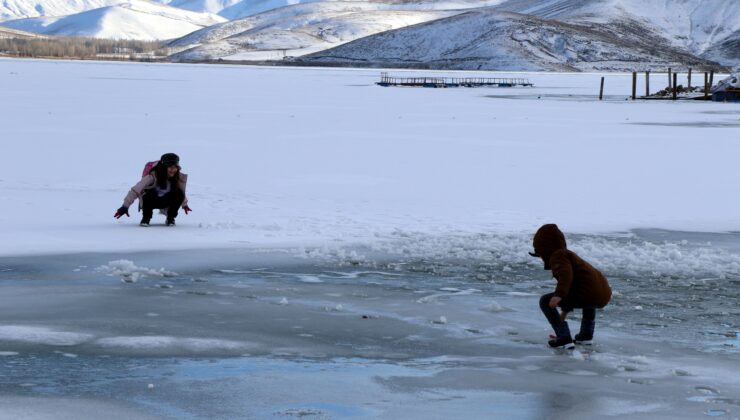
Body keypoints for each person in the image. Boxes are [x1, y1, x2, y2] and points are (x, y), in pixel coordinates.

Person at [529, 224, 611, 349]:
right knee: (588, 301)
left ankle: (563, 337)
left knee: (545, 301)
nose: (541, 258)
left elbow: (566, 276)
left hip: (587, 292)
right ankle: (585, 336)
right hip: (601, 293)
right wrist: (563, 310)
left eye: (540, 254)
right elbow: (574, 286)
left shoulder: (557, 255)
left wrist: (558, 295)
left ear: (545, 249)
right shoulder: (567, 254)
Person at [114, 153, 192, 226]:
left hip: (166, 201)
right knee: (147, 194)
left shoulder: (177, 177)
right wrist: (125, 207)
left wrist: (184, 204)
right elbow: (135, 190)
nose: (173, 170)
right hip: (150, 201)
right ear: (164, 167)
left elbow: (180, 192)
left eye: (175, 167)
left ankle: (170, 219)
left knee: (178, 193)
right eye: (170, 167)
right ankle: (146, 219)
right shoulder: (152, 176)